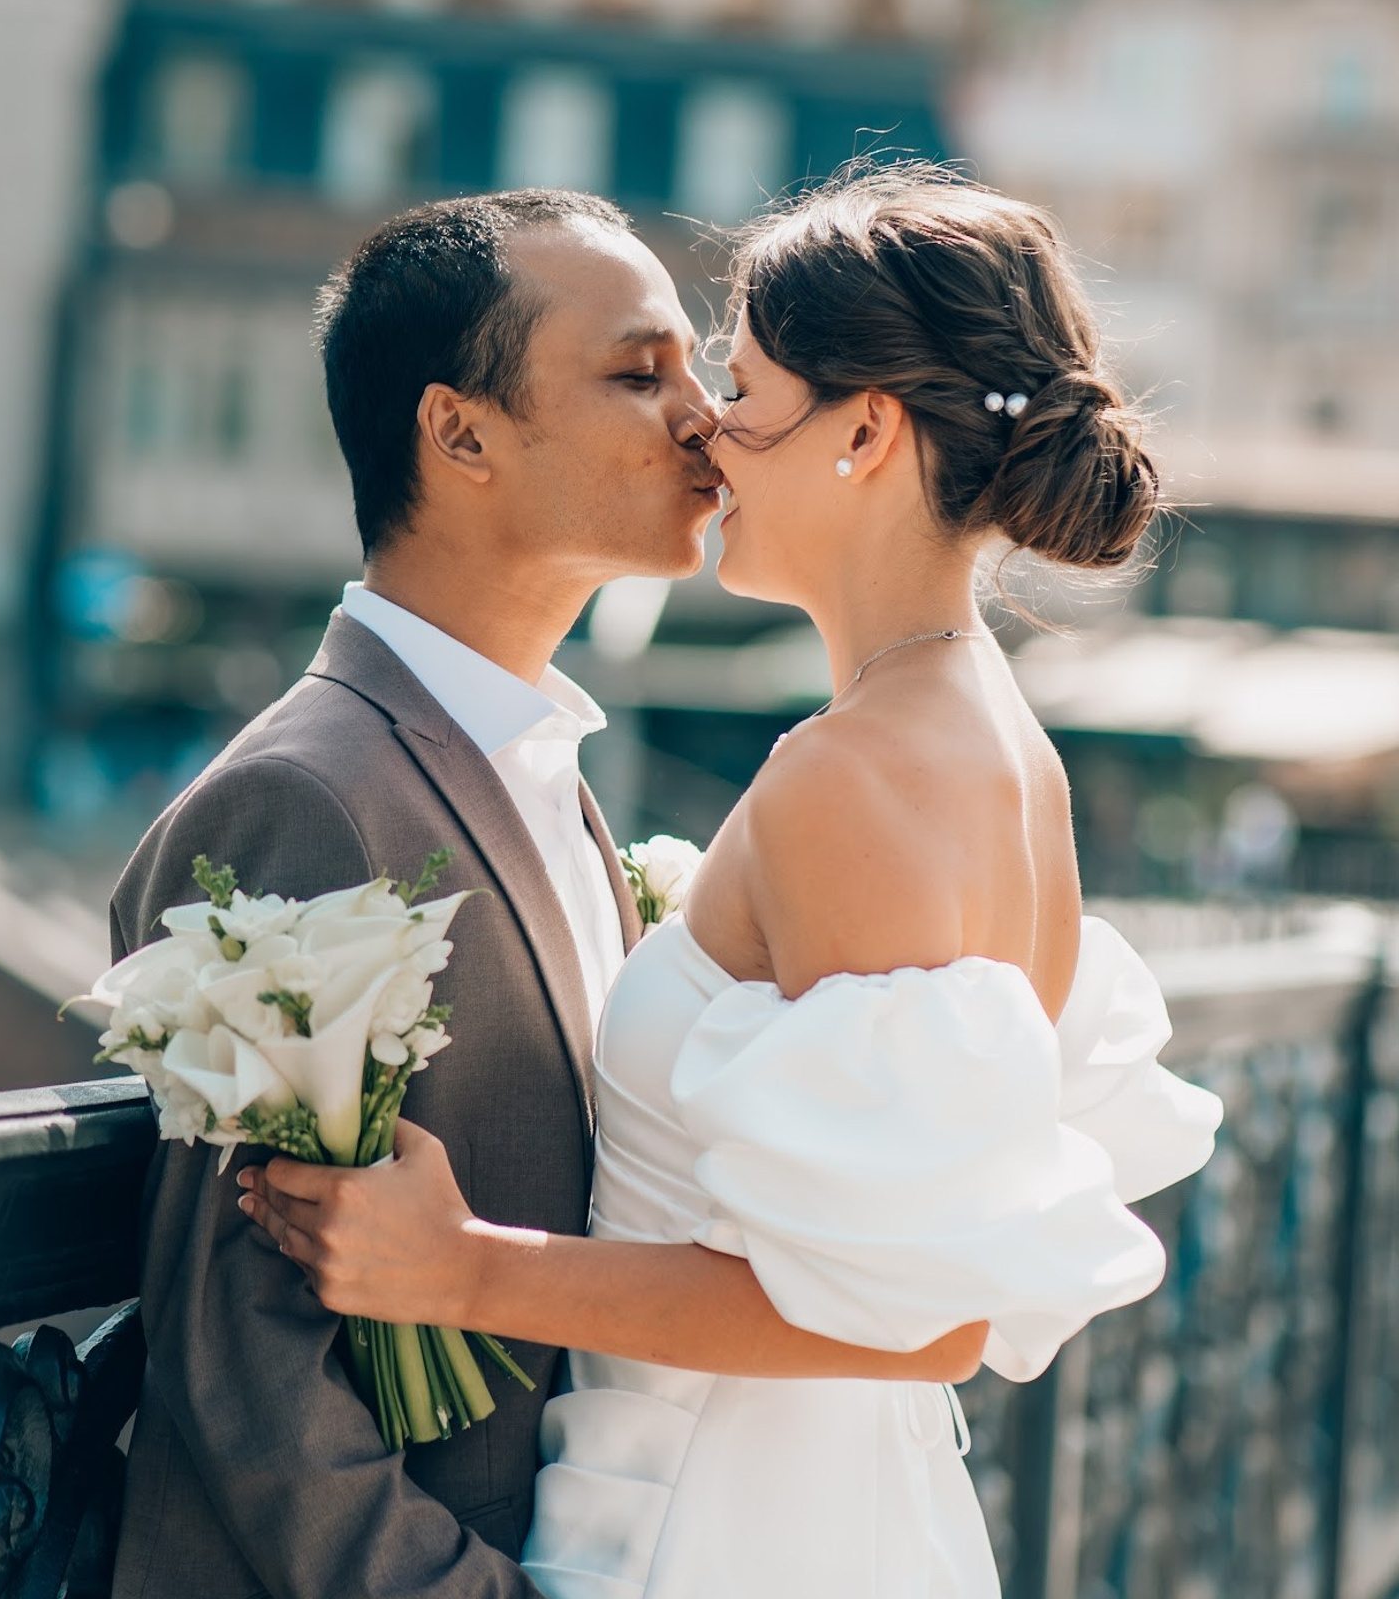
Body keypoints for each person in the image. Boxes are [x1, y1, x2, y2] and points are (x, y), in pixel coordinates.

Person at [238, 166, 1225, 1598]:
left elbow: (927, 1321)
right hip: (828, 1502)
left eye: (745, 394)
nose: (710, 430)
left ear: (866, 433)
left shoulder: (854, 772)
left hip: (719, 1514)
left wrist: (463, 1273)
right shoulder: (1005, 750)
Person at [107, 187, 990, 1599]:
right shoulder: (304, 800)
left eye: (699, 372)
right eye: (641, 375)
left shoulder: (553, 782)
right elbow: (242, 1375)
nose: (706, 418)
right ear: (459, 433)